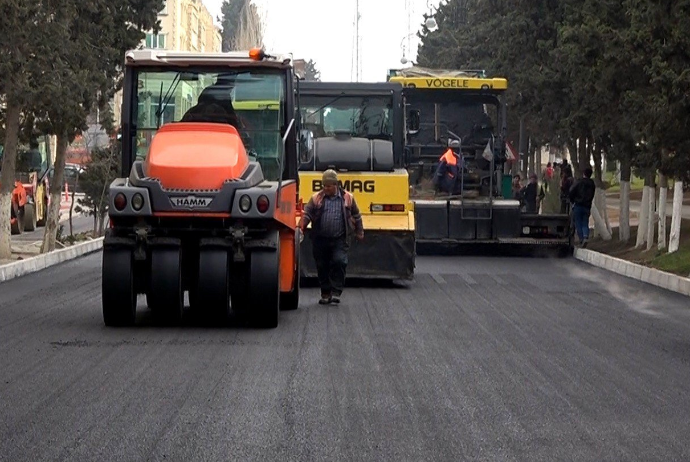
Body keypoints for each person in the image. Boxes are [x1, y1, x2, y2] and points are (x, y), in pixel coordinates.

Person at [298, 169, 364, 305]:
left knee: (339, 261)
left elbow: (357, 216)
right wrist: (301, 226)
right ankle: (325, 293)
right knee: (322, 265)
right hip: (320, 239)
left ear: (336, 185)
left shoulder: (348, 198)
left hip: (340, 238)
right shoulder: (316, 198)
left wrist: (359, 232)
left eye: (328, 186)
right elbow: (308, 213)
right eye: (324, 186)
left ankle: (336, 291)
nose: (325, 188)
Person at [569, 167, 596, 247]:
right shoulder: (592, 184)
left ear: (584, 174)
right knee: (585, 222)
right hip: (587, 206)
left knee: (578, 223)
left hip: (578, 205)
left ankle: (581, 239)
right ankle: (585, 236)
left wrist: (572, 200)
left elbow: (571, 191)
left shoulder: (579, 182)